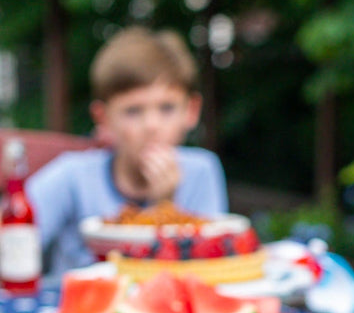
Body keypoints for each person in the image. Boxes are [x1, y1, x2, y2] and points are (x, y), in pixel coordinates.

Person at [28, 27, 228, 276]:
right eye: (133, 111)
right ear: (103, 119)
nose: (151, 126)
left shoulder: (202, 171)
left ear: (191, 111)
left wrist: (165, 206)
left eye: (166, 108)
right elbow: (14, 243)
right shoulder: (71, 175)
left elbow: (207, 271)